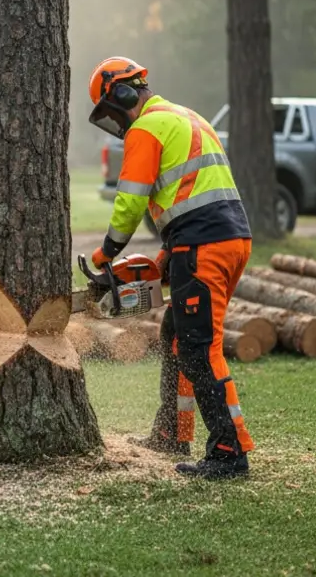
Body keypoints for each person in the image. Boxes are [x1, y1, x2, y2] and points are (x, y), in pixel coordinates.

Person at [85, 56, 256, 480]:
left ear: (122, 93)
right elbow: (194, 195)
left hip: (204, 244)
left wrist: (107, 252)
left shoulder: (146, 128)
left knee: (199, 348)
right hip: (226, 239)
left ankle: (228, 451)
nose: (116, 123)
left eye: (111, 112)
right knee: (175, 334)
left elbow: (130, 201)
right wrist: (166, 259)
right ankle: (171, 431)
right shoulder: (187, 117)